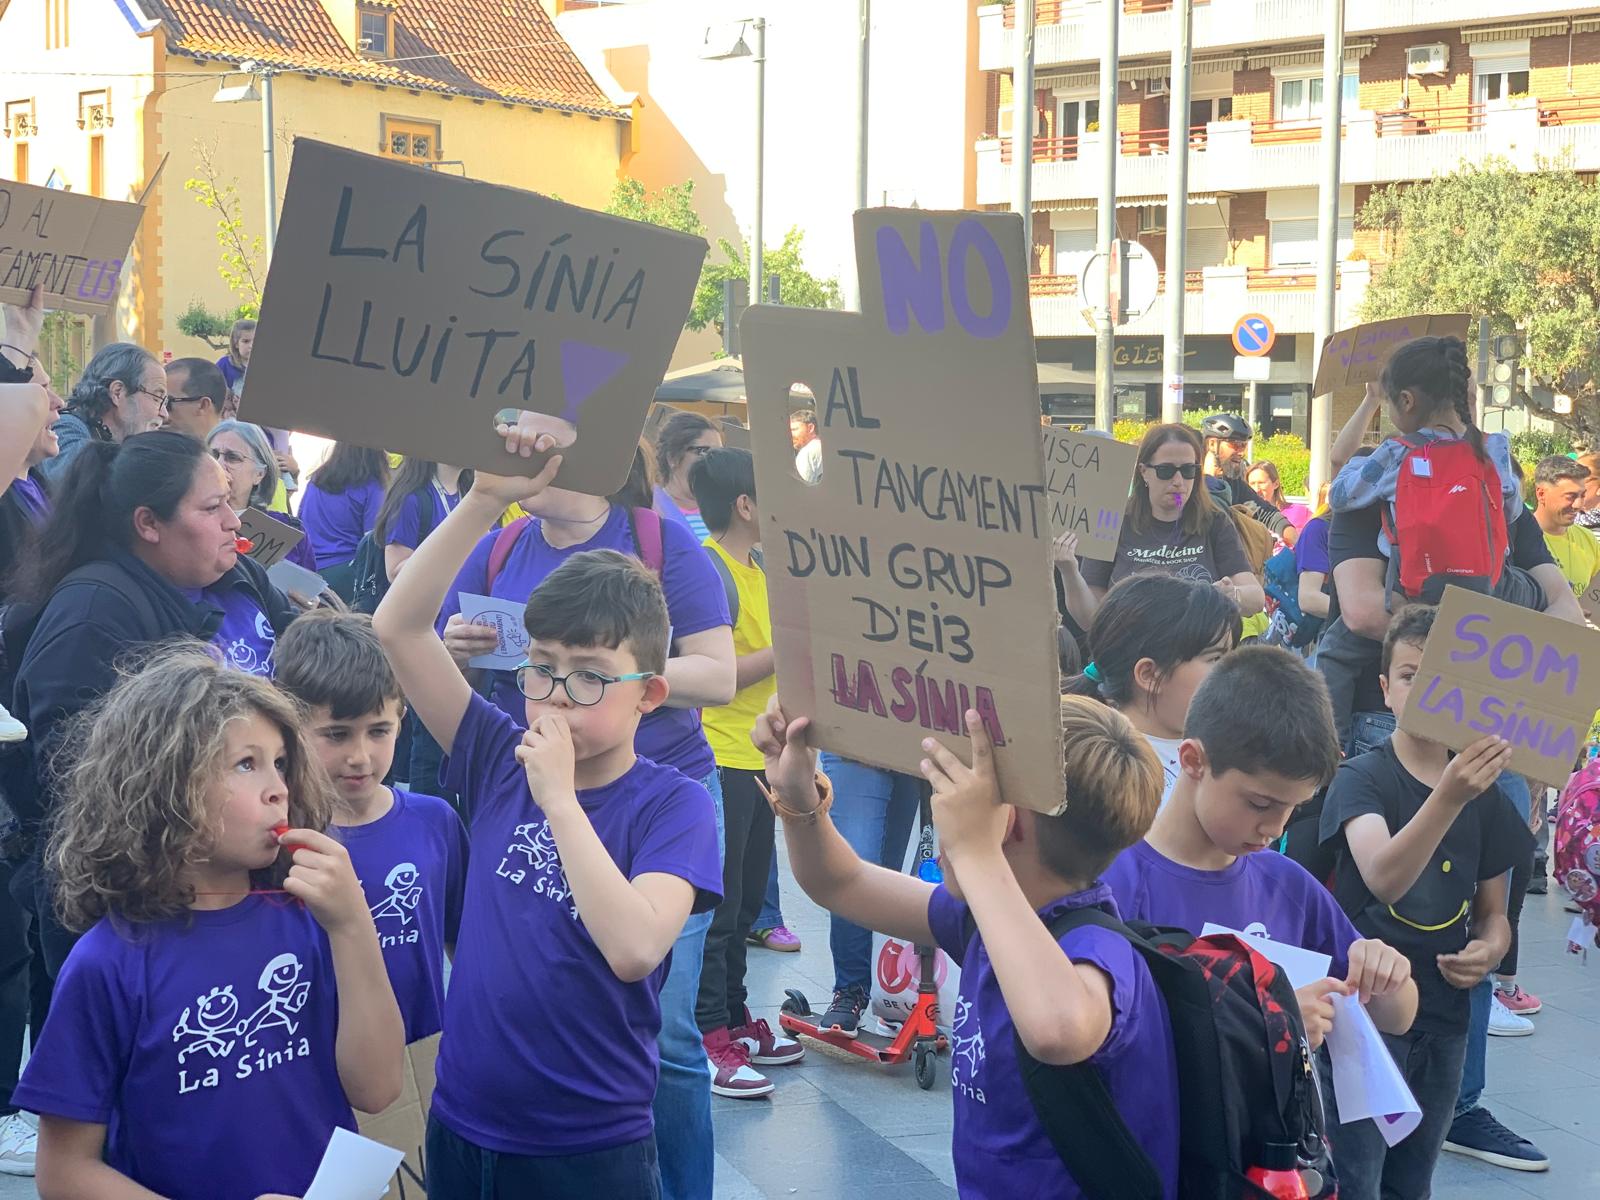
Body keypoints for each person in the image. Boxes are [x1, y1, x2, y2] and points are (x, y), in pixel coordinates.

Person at [372, 439, 721, 1196]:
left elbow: (633, 948)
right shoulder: (500, 754)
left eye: (591, 677)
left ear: (649, 695)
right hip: (463, 1118)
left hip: (587, 1144)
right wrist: (483, 500)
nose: (558, 694)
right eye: (541, 668)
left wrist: (561, 801)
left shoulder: (673, 804)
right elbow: (398, 628)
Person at [14, 648, 403, 1199]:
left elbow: (379, 1088)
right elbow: (65, 1174)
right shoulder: (109, 962)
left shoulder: (309, 919)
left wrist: (352, 925)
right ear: (165, 785)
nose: (279, 788)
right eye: (247, 764)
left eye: (281, 763)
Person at [754, 694, 1178, 1198]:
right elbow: (840, 883)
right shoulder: (978, 919)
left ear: (1006, 822)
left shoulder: (1099, 952)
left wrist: (976, 853)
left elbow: (1057, 1031)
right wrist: (799, 797)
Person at [8, 431, 297, 977]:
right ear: (148, 524)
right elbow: (72, 784)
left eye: (232, 503)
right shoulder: (93, 613)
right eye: (213, 508)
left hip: (242, 879)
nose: (235, 522)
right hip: (145, 912)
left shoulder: (242, 575)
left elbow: (309, 671)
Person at [1102, 647, 1417, 1059]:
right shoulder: (1113, 883)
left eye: (1294, 808)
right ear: (1194, 761)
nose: (1276, 828)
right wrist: (1268, 1021)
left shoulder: (1286, 884)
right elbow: (1102, 1037)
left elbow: (1398, 1016)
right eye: (1260, 804)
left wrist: (1387, 974)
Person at [1319, 606, 1539, 1190]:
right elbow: (1383, 876)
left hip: (1446, 1017)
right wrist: (1447, 796)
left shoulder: (1486, 798)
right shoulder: (1363, 778)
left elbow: (1495, 913)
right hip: (1365, 1018)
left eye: (1445, 680)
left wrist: (1489, 951)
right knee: (1356, 1177)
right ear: (1386, 689)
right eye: (1413, 675)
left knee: (1413, 1180)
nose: (1427, 692)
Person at [274, 610, 467, 1045]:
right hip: (315, 1061)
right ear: (290, 726)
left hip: (423, 1054)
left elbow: (462, 944)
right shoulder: (281, 837)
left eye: (379, 730)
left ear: (402, 718)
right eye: (336, 735)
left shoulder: (435, 821)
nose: (360, 756)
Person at [687, 449, 802, 1098]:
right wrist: (790, 643)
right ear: (745, 505)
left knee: (749, 901)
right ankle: (707, 1034)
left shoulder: (759, 568)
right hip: (722, 756)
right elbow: (723, 677)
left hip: (763, 759)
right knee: (722, 909)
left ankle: (734, 1018)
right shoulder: (710, 571)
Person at [1057, 422, 1265, 629]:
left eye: (1188, 470)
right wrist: (1069, 571)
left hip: (1195, 652)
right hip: (1129, 652)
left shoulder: (1214, 521)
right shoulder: (1112, 520)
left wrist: (1232, 594)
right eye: (1166, 471)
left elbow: (1256, 597)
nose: (1178, 481)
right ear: (1144, 471)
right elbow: (1090, 618)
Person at [1060, 573, 1240, 809]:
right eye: (1215, 658)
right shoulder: (1102, 770)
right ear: (1148, 674)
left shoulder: (1225, 749)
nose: (1231, 671)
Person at [36, 342, 165, 482]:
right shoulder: (66, 427)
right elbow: (76, 482)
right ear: (118, 393)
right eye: (157, 397)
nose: (164, 413)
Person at [205, 420, 319, 574]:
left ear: (259, 474)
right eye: (213, 455)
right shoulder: (190, 523)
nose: (219, 464)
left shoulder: (288, 530)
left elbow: (310, 590)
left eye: (232, 458)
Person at [298, 443, 391, 594]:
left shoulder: (317, 479)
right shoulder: (373, 487)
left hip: (307, 571)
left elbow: (300, 521)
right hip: (347, 574)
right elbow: (372, 542)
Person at [1199, 413, 1294, 542]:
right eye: (1236, 445)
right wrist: (1209, 479)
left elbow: (1266, 513)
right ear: (1211, 444)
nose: (1241, 453)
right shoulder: (1189, 479)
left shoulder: (1233, 483)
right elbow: (1195, 514)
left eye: (1244, 446)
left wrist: (1296, 541)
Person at [374, 457, 471, 583]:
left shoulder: (472, 494)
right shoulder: (411, 499)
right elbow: (395, 572)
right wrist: (451, 553)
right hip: (427, 600)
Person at [1530, 455, 1600, 597]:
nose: (1578, 505)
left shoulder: (1588, 540)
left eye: (1582, 495)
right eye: (1570, 496)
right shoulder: (1518, 538)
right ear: (1541, 494)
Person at [653, 412, 721, 541]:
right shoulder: (652, 510)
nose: (715, 460)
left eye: (719, 453)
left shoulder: (727, 512)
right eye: (703, 451)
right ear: (672, 457)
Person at [159, 357, 228, 442]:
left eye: (167, 403)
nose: (161, 412)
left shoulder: (239, 451)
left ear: (203, 405)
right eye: (157, 401)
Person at [1246, 460, 1312, 529]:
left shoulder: (1300, 513)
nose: (1256, 489)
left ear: (1276, 484)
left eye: (1261, 483)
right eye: (1252, 483)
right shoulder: (1244, 517)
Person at [215, 316, 255, 395]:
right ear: (236, 343)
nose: (251, 345)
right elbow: (213, 387)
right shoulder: (224, 364)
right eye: (246, 341)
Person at [791, 407, 823, 484]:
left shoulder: (807, 452)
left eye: (794, 429)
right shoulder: (826, 448)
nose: (791, 435)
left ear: (811, 428)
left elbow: (801, 489)